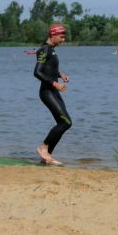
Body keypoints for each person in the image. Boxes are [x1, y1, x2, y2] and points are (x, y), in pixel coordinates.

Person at [34, 22, 72, 166]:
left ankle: (47, 156)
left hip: (52, 91)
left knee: (63, 123)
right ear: (53, 34)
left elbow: (49, 68)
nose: (63, 40)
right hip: (47, 92)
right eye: (61, 37)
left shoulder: (51, 49)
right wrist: (55, 83)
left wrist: (60, 75)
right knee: (65, 122)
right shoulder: (44, 50)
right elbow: (37, 72)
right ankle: (43, 148)